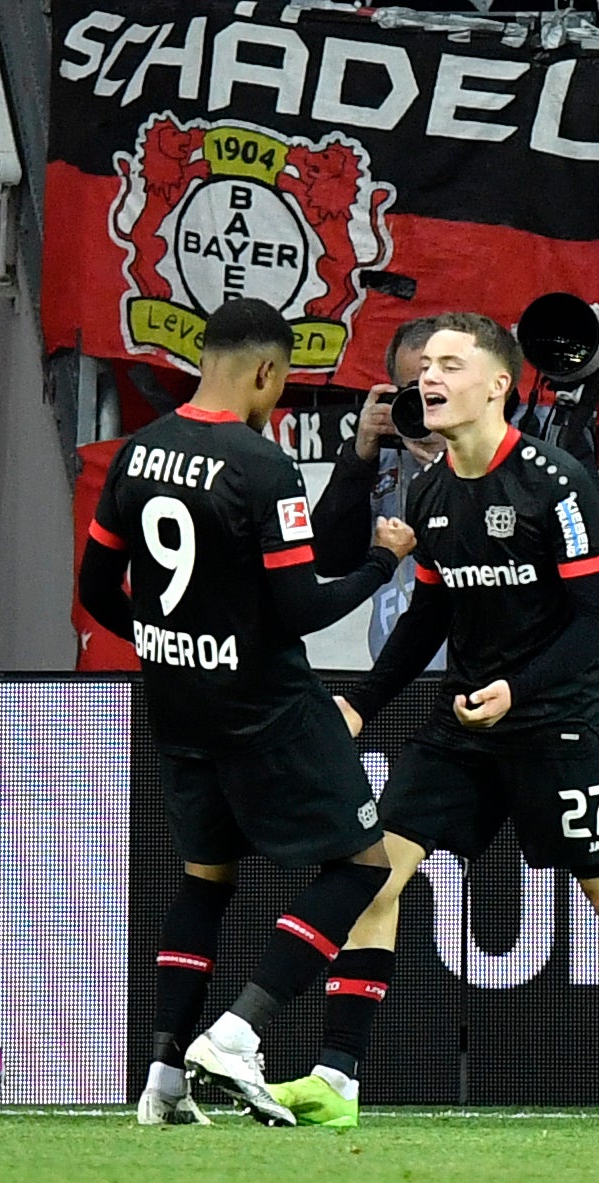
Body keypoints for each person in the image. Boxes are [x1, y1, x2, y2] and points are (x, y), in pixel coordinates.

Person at [265, 312, 599, 1131]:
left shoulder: (557, 483)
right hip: (463, 727)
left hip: (556, 721)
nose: (428, 378)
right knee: (377, 869)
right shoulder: (431, 488)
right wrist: (360, 703)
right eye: (425, 365)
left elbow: (595, 622)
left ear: (498, 386)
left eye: (450, 363)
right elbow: (429, 616)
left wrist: (517, 687)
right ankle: (337, 1079)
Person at [78, 298, 418, 1127]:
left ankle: (162, 1077)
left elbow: (93, 592)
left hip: (179, 707)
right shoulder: (262, 467)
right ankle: (238, 1031)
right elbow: (302, 607)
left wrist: (168, 641)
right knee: (366, 864)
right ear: (266, 371)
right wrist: (382, 561)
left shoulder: (136, 454)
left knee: (204, 881)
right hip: (268, 709)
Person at [313, 318, 448, 662]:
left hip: (477, 683)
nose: (427, 407)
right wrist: (357, 462)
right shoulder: (382, 457)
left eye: (437, 392)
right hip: (393, 680)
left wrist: (453, 463)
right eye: (412, 393)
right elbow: (329, 560)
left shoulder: (501, 457)